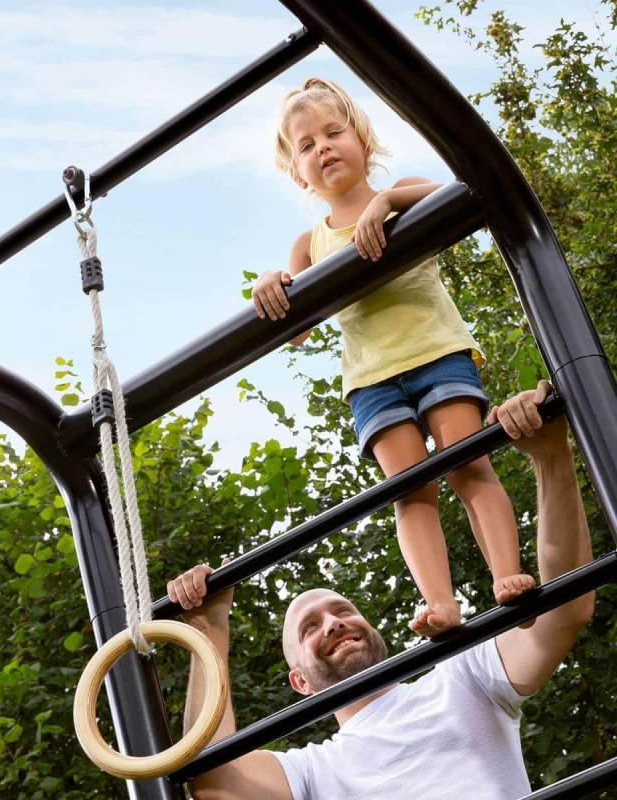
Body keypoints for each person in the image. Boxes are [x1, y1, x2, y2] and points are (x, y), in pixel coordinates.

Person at [167, 382, 594, 800]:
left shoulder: (462, 679)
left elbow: (565, 612)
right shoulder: (315, 772)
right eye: (309, 628)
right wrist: (208, 629)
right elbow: (215, 783)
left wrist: (551, 457)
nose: (334, 622)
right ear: (299, 682)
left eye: (343, 610)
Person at [251, 76, 534, 637]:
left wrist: (386, 202)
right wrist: (270, 281)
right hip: (372, 381)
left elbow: (462, 193)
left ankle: (508, 574)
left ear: (363, 139)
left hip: (436, 353)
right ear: (296, 173)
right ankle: (442, 603)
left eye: (334, 133)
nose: (323, 147)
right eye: (307, 145)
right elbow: (296, 333)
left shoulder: (405, 192)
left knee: (468, 463)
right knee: (410, 492)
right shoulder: (310, 245)